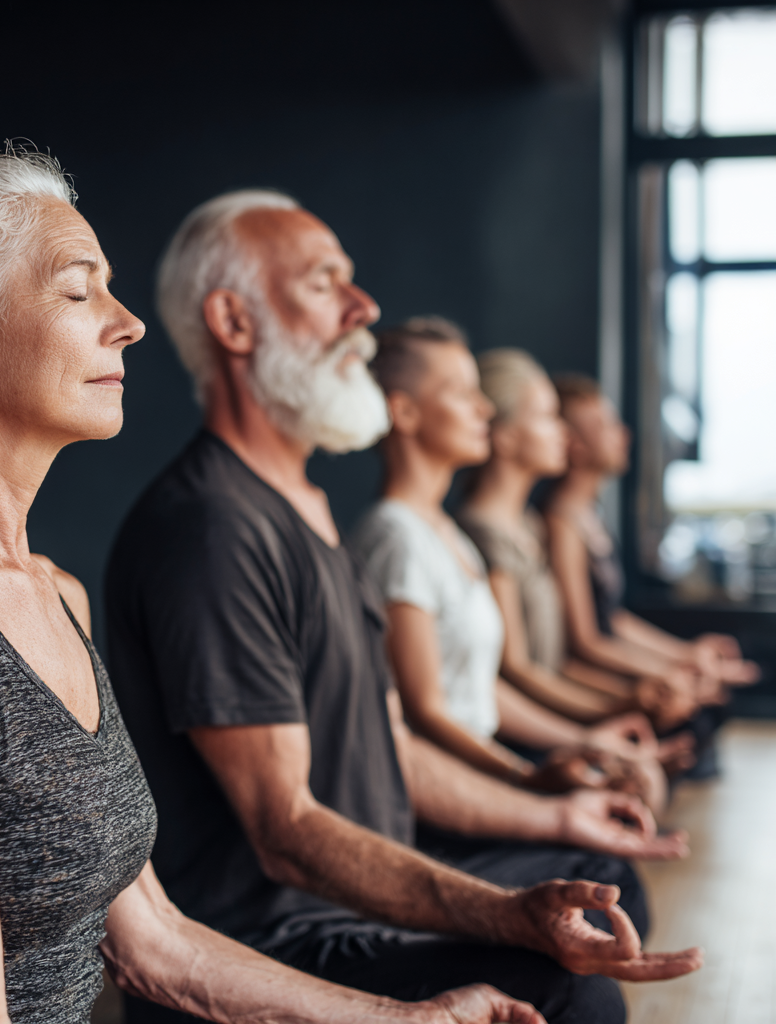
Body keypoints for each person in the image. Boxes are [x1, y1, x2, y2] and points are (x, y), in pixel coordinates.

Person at [0, 150, 552, 1024]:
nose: (129, 324)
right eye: (80, 291)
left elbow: (156, 943)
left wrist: (411, 1018)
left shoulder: (57, 597)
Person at [105, 189, 702, 1024]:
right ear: (233, 323)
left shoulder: (308, 510)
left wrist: (553, 806)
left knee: (600, 881)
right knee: (573, 993)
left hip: (354, 902)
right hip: (278, 943)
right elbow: (284, 828)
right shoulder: (212, 528)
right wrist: (505, 913)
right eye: (324, 284)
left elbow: (394, 747)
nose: (364, 308)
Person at [352, 318, 668, 813]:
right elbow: (426, 711)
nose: (484, 409)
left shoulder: (445, 533)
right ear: (404, 412)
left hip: (479, 768)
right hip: (444, 794)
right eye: (462, 393)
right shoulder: (395, 536)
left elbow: (482, 690)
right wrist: (527, 779)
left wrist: (586, 741)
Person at [457, 349, 702, 737]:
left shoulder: (530, 525)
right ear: (504, 436)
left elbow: (559, 661)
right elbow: (518, 669)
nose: (564, 434)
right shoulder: (484, 534)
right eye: (547, 418)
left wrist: (640, 695)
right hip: (525, 732)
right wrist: (614, 711)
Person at [543, 373, 759, 768]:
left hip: (609, 667)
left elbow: (614, 619)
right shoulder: (562, 523)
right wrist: (669, 676)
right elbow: (586, 642)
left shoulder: (590, 515)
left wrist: (686, 658)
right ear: (574, 444)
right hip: (588, 678)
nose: (623, 434)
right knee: (695, 720)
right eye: (605, 425)